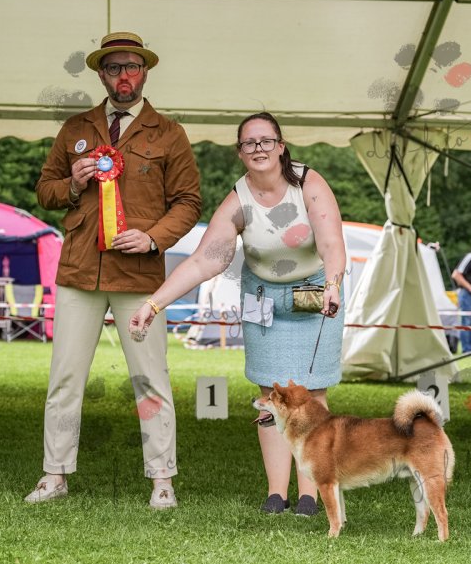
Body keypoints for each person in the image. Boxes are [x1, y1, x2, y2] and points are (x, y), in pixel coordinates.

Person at [130, 112, 346, 517]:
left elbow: (332, 243)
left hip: (316, 293)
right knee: (270, 396)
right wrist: (153, 304)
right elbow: (204, 260)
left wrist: (334, 283)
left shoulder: (309, 184)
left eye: (266, 141)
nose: (258, 148)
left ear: (281, 147)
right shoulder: (238, 200)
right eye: (249, 143)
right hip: (263, 298)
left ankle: (310, 495)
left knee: (312, 393)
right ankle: (276, 494)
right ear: (240, 152)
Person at [25, 31, 201, 509]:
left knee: (150, 378)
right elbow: (45, 190)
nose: (124, 76)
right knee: (65, 378)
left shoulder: (170, 133)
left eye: (132, 67)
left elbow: (189, 202)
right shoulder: (74, 128)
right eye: (114, 68)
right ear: (101, 75)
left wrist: (153, 237)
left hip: (140, 276)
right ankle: (54, 474)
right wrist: (72, 183)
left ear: (145, 72)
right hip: (79, 272)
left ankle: (162, 479)